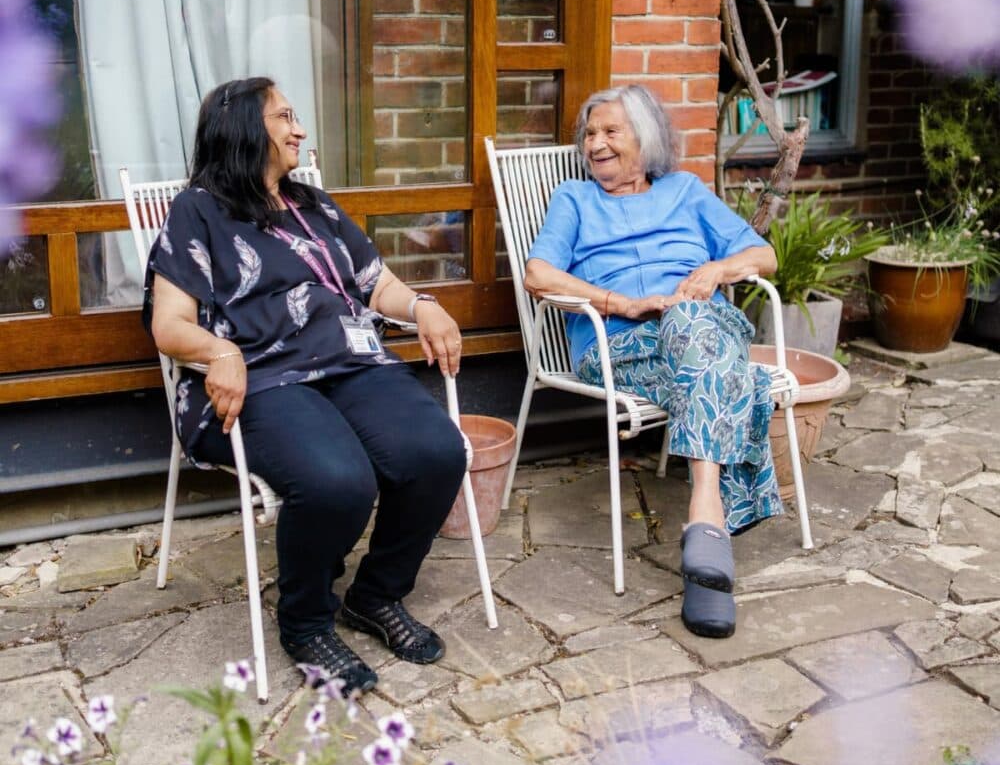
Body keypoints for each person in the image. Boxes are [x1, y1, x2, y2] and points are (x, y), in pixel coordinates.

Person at [144, 76, 467, 693]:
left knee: (436, 452)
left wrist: (422, 304)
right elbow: (169, 325)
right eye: (285, 116)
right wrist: (219, 350)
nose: (300, 129)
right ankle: (306, 620)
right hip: (260, 380)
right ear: (244, 129)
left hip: (348, 362)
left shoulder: (313, 205)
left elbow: (377, 285)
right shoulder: (199, 210)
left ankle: (375, 594)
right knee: (337, 480)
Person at [524, 84, 782, 638]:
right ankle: (708, 519)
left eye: (611, 131)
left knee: (693, 323)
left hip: (695, 330)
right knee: (738, 374)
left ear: (647, 139)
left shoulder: (686, 191)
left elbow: (765, 255)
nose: (596, 143)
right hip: (619, 344)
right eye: (590, 134)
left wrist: (717, 271)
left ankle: (705, 516)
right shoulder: (575, 200)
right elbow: (538, 275)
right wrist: (625, 303)